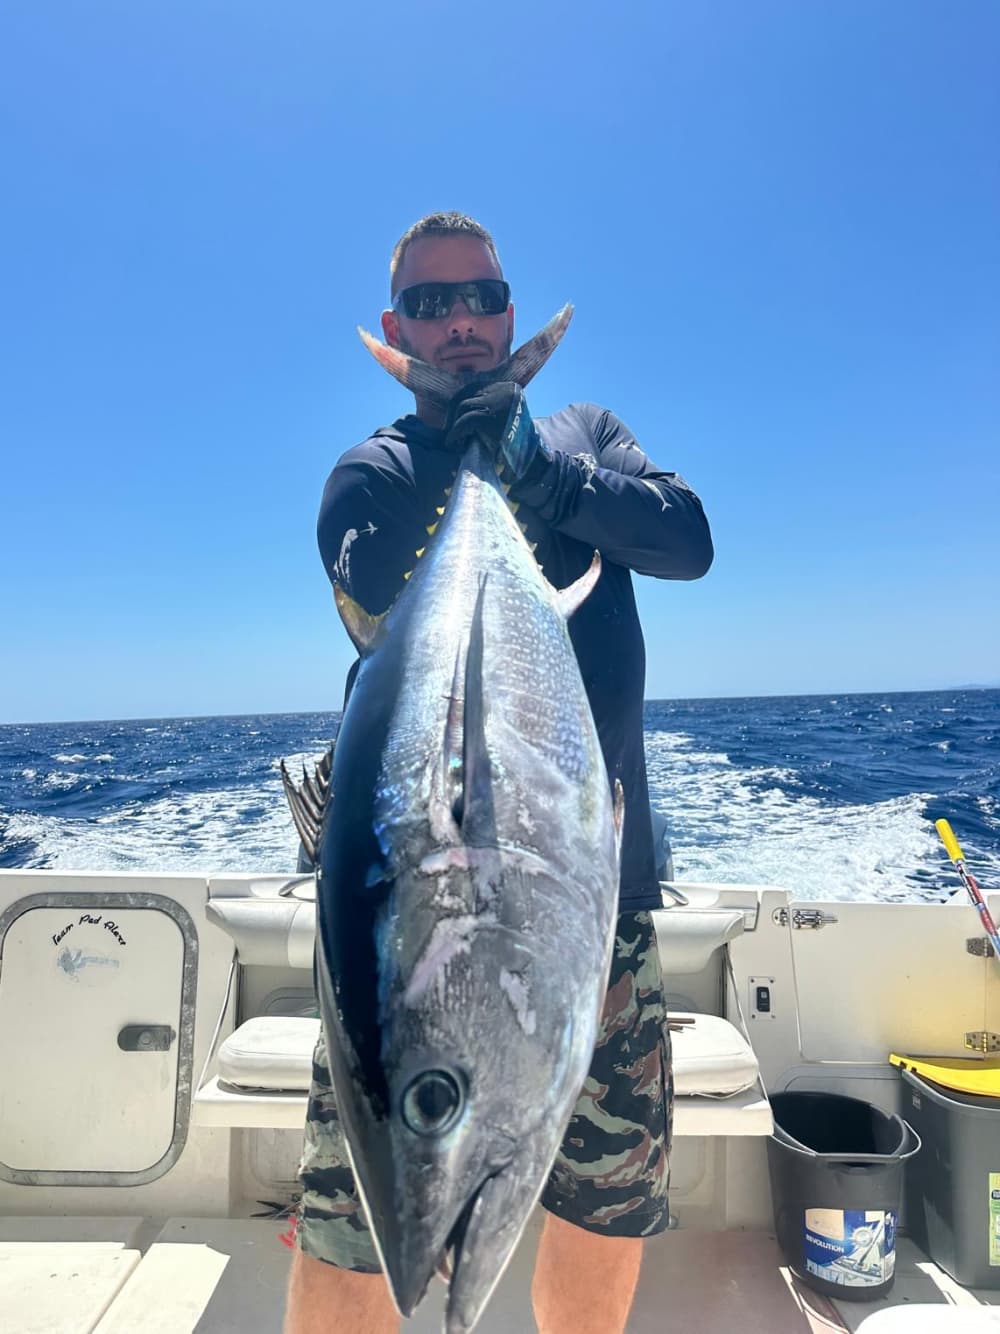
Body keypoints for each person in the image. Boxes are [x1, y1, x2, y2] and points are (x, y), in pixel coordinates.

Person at [284, 212, 714, 1334]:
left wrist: (536, 467)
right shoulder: (374, 472)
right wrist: (464, 457)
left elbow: (687, 541)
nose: (461, 321)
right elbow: (385, 591)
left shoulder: (584, 433)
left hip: (598, 902)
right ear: (397, 329)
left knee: (602, 1218)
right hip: (410, 927)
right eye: (430, 304)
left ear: (511, 311)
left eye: (479, 296)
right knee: (355, 1235)